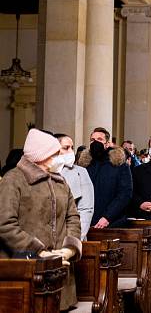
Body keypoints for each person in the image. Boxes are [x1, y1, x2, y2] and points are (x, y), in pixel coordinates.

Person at [0, 128, 82, 310]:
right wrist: (40, 252)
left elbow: (73, 217)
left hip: (61, 272)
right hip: (27, 271)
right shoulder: (13, 179)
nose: (58, 158)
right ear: (40, 155)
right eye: (54, 154)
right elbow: (5, 224)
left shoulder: (60, 181)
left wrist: (69, 249)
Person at [78, 127, 132, 228]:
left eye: (99, 139)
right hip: (86, 221)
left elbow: (125, 194)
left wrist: (107, 217)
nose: (95, 142)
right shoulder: (84, 165)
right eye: (92, 140)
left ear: (107, 144)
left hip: (112, 222)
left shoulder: (119, 165)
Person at [55, 133, 94, 240]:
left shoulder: (80, 172)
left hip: (72, 234)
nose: (71, 152)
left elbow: (86, 209)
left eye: (72, 148)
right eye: (66, 148)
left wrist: (74, 238)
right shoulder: (44, 171)